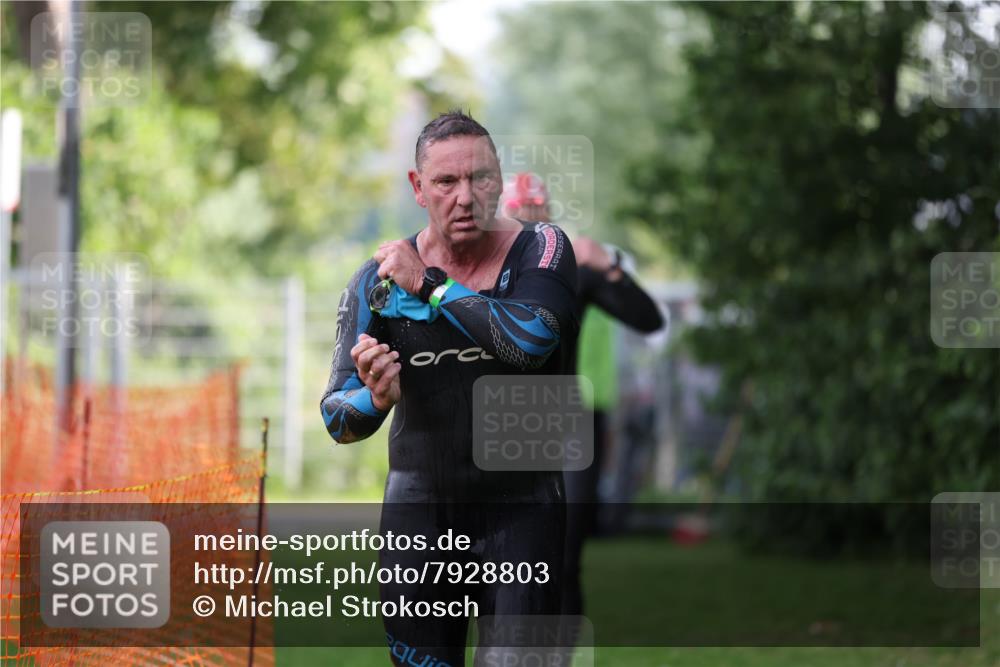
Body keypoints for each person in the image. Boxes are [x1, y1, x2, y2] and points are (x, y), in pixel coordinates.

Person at [321, 112, 579, 666]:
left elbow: (529, 341)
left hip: (522, 515)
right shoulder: (378, 281)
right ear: (418, 188)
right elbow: (336, 417)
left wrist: (430, 284)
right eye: (445, 182)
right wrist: (376, 397)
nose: (465, 197)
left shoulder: (542, 248)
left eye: (480, 178)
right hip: (420, 517)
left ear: (499, 179)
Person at [500, 173, 666, 623]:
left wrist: (609, 262)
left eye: (535, 214)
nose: (527, 225)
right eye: (516, 216)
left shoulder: (570, 272)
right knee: (500, 567)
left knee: (562, 561)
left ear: (549, 216)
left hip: (568, 423)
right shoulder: (483, 271)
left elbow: (650, 319)